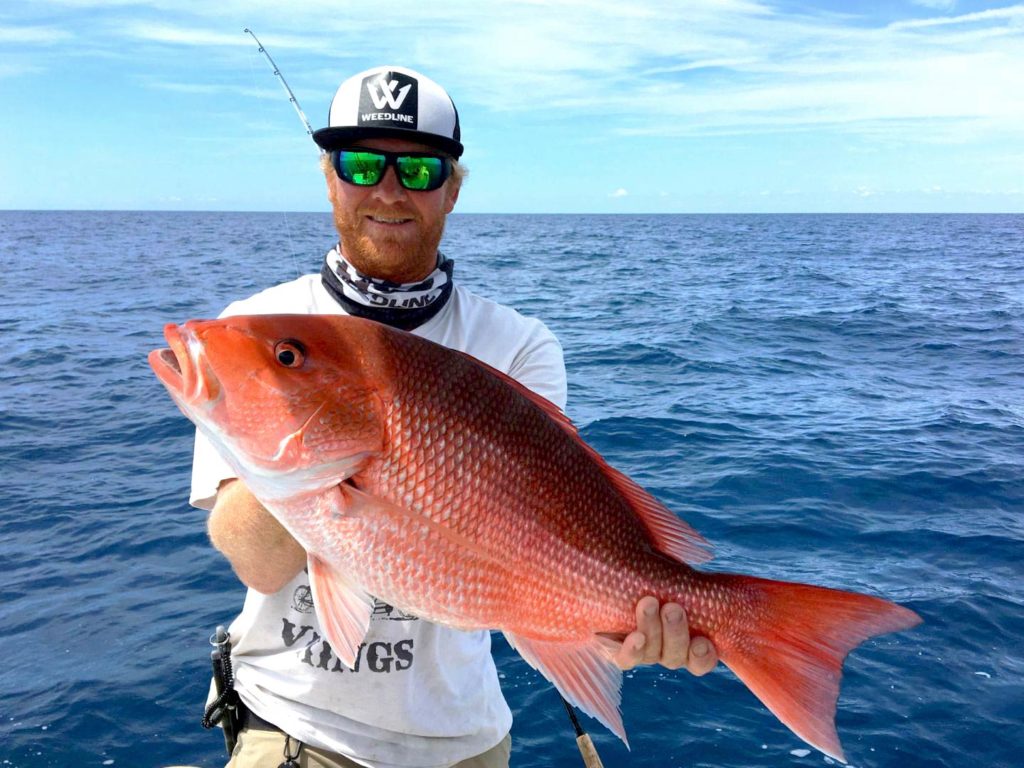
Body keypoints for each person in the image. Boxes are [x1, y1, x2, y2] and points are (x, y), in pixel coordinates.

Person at [189, 65, 718, 768]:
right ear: (329, 178)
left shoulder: (517, 346)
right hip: (292, 728)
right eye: (361, 163)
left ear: (453, 189)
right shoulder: (257, 332)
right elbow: (258, 563)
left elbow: (546, 549)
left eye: (419, 170)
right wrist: (319, 412)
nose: (386, 190)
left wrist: (624, 625)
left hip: (465, 744)